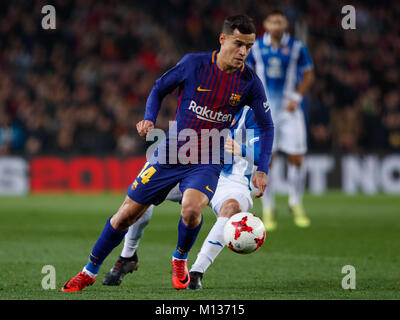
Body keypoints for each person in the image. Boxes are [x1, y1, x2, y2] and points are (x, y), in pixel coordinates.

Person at [61, 14, 274, 292]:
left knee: (192, 208)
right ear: (222, 40)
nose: (243, 52)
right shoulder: (194, 64)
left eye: (248, 46)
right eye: (238, 44)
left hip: (207, 158)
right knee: (125, 215)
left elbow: (267, 126)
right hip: (172, 152)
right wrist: (149, 117)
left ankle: (180, 259)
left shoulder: (249, 82)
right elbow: (159, 88)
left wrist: (262, 167)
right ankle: (89, 271)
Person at [102, 105, 264, 290]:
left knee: (231, 210)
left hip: (232, 180)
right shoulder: (207, 104)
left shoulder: (253, 114)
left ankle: (196, 272)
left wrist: (242, 149)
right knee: (146, 191)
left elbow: (262, 154)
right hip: (196, 169)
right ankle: (128, 256)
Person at [246, 9, 314, 231]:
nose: (276, 25)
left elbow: (308, 74)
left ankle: (296, 202)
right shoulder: (255, 47)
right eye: (272, 21)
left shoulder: (296, 47)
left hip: (290, 110)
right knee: (267, 160)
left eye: (280, 21)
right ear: (266, 24)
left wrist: (296, 97)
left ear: (285, 24)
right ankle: (269, 207)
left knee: (297, 158)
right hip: (265, 111)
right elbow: (247, 74)